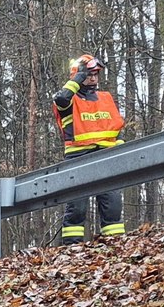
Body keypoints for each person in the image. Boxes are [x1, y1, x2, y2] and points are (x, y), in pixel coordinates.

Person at [51, 53, 127, 242]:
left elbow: (113, 125)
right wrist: (77, 78)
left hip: (106, 156)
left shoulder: (105, 98)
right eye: (88, 74)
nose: (93, 77)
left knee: (113, 206)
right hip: (78, 157)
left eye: (95, 74)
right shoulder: (69, 99)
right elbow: (61, 99)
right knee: (77, 208)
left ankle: (115, 245)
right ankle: (71, 251)